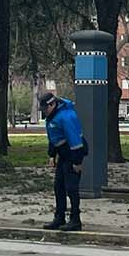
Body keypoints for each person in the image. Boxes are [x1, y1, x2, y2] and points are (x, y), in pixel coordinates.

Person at [39, 91, 86, 231]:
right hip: (63, 154)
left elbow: (75, 141)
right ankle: (59, 217)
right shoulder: (53, 116)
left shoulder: (66, 117)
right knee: (58, 187)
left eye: (45, 109)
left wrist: (77, 162)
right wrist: (52, 155)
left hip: (72, 154)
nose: (44, 112)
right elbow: (54, 138)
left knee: (71, 188)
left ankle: (75, 220)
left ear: (52, 104)